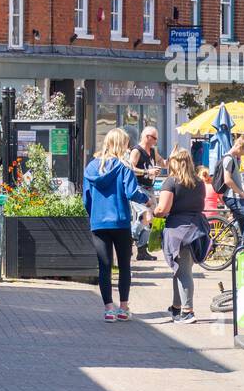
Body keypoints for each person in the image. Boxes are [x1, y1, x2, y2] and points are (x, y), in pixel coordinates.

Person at [83, 128, 149, 322]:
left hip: (99, 222)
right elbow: (131, 192)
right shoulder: (124, 167)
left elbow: (86, 198)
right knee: (124, 266)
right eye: (127, 144)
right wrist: (146, 199)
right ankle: (123, 307)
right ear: (122, 145)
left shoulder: (92, 167)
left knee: (104, 266)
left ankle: (108, 309)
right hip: (120, 222)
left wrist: (94, 214)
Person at [154, 147, 209, 324]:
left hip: (178, 231)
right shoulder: (199, 182)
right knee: (181, 269)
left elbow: (163, 209)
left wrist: (153, 212)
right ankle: (177, 307)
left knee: (183, 272)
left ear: (175, 162)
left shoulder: (171, 182)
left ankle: (188, 311)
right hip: (197, 229)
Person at [128, 127, 164, 261]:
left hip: (150, 188)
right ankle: (130, 237)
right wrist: (147, 172)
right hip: (138, 187)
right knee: (146, 215)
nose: (156, 141)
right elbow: (130, 168)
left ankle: (142, 251)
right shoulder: (137, 151)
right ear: (147, 137)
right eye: (155, 138)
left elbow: (162, 162)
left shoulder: (153, 151)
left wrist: (171, 160)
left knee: (149, 220)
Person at [218, 135, 244, 244]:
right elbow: (227, 180)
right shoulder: (229, 159)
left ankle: (242, 247)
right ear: (240, 147)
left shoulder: (232, 158)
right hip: (233, 197)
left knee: (243, 222)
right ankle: (242, 245)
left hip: (234, 196)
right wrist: (241, 193)